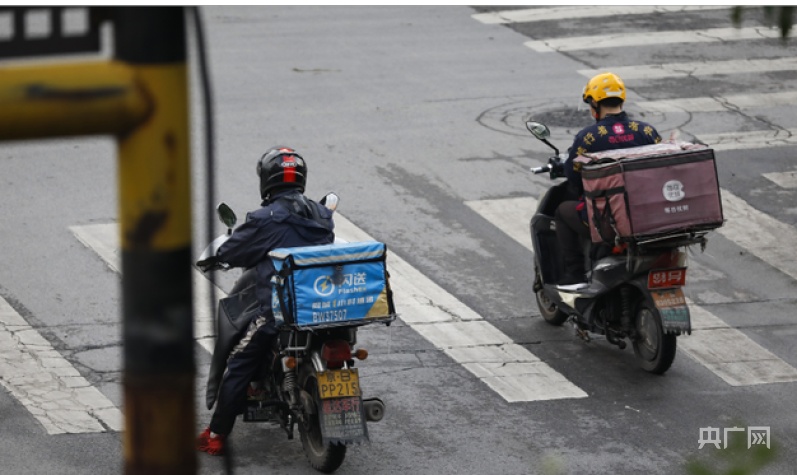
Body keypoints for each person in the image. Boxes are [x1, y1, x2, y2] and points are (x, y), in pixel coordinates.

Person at [196, 146, 335, 456]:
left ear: (267, 181)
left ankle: (217, 434)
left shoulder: (263, 219)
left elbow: (233, 252)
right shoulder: (322, 214)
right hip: (323, 308)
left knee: (238, 362)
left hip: (279, 312)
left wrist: (220, 256)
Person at [555, 72, 662, 289]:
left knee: (562, 211)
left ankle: (574, 275)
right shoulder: (647, 131)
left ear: (595, 103)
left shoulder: (589, 137)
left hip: (608, 220)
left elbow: (574, 177)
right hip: (648, 215)